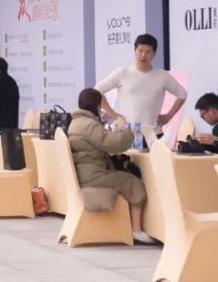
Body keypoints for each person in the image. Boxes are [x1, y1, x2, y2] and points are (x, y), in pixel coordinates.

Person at [68, 88, 153, 244]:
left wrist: (102, 123)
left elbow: (99, 141)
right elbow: (116, 144)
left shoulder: (77, 123)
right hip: (95, 177)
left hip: (85, 174)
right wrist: (122, 127)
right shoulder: (90, 125)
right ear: (96, 106)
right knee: (132, 181)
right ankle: (137, 230)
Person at [95, 34, 187, 135]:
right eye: (140, 50)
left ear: (154, 54)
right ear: (135, 50)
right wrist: (114, 114)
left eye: (148, 52)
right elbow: (97, 91)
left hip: (153, 134)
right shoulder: (122, 73)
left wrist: (169, 116)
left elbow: (182, 94)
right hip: (126, 134)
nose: (143, 55)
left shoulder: (162, 75)